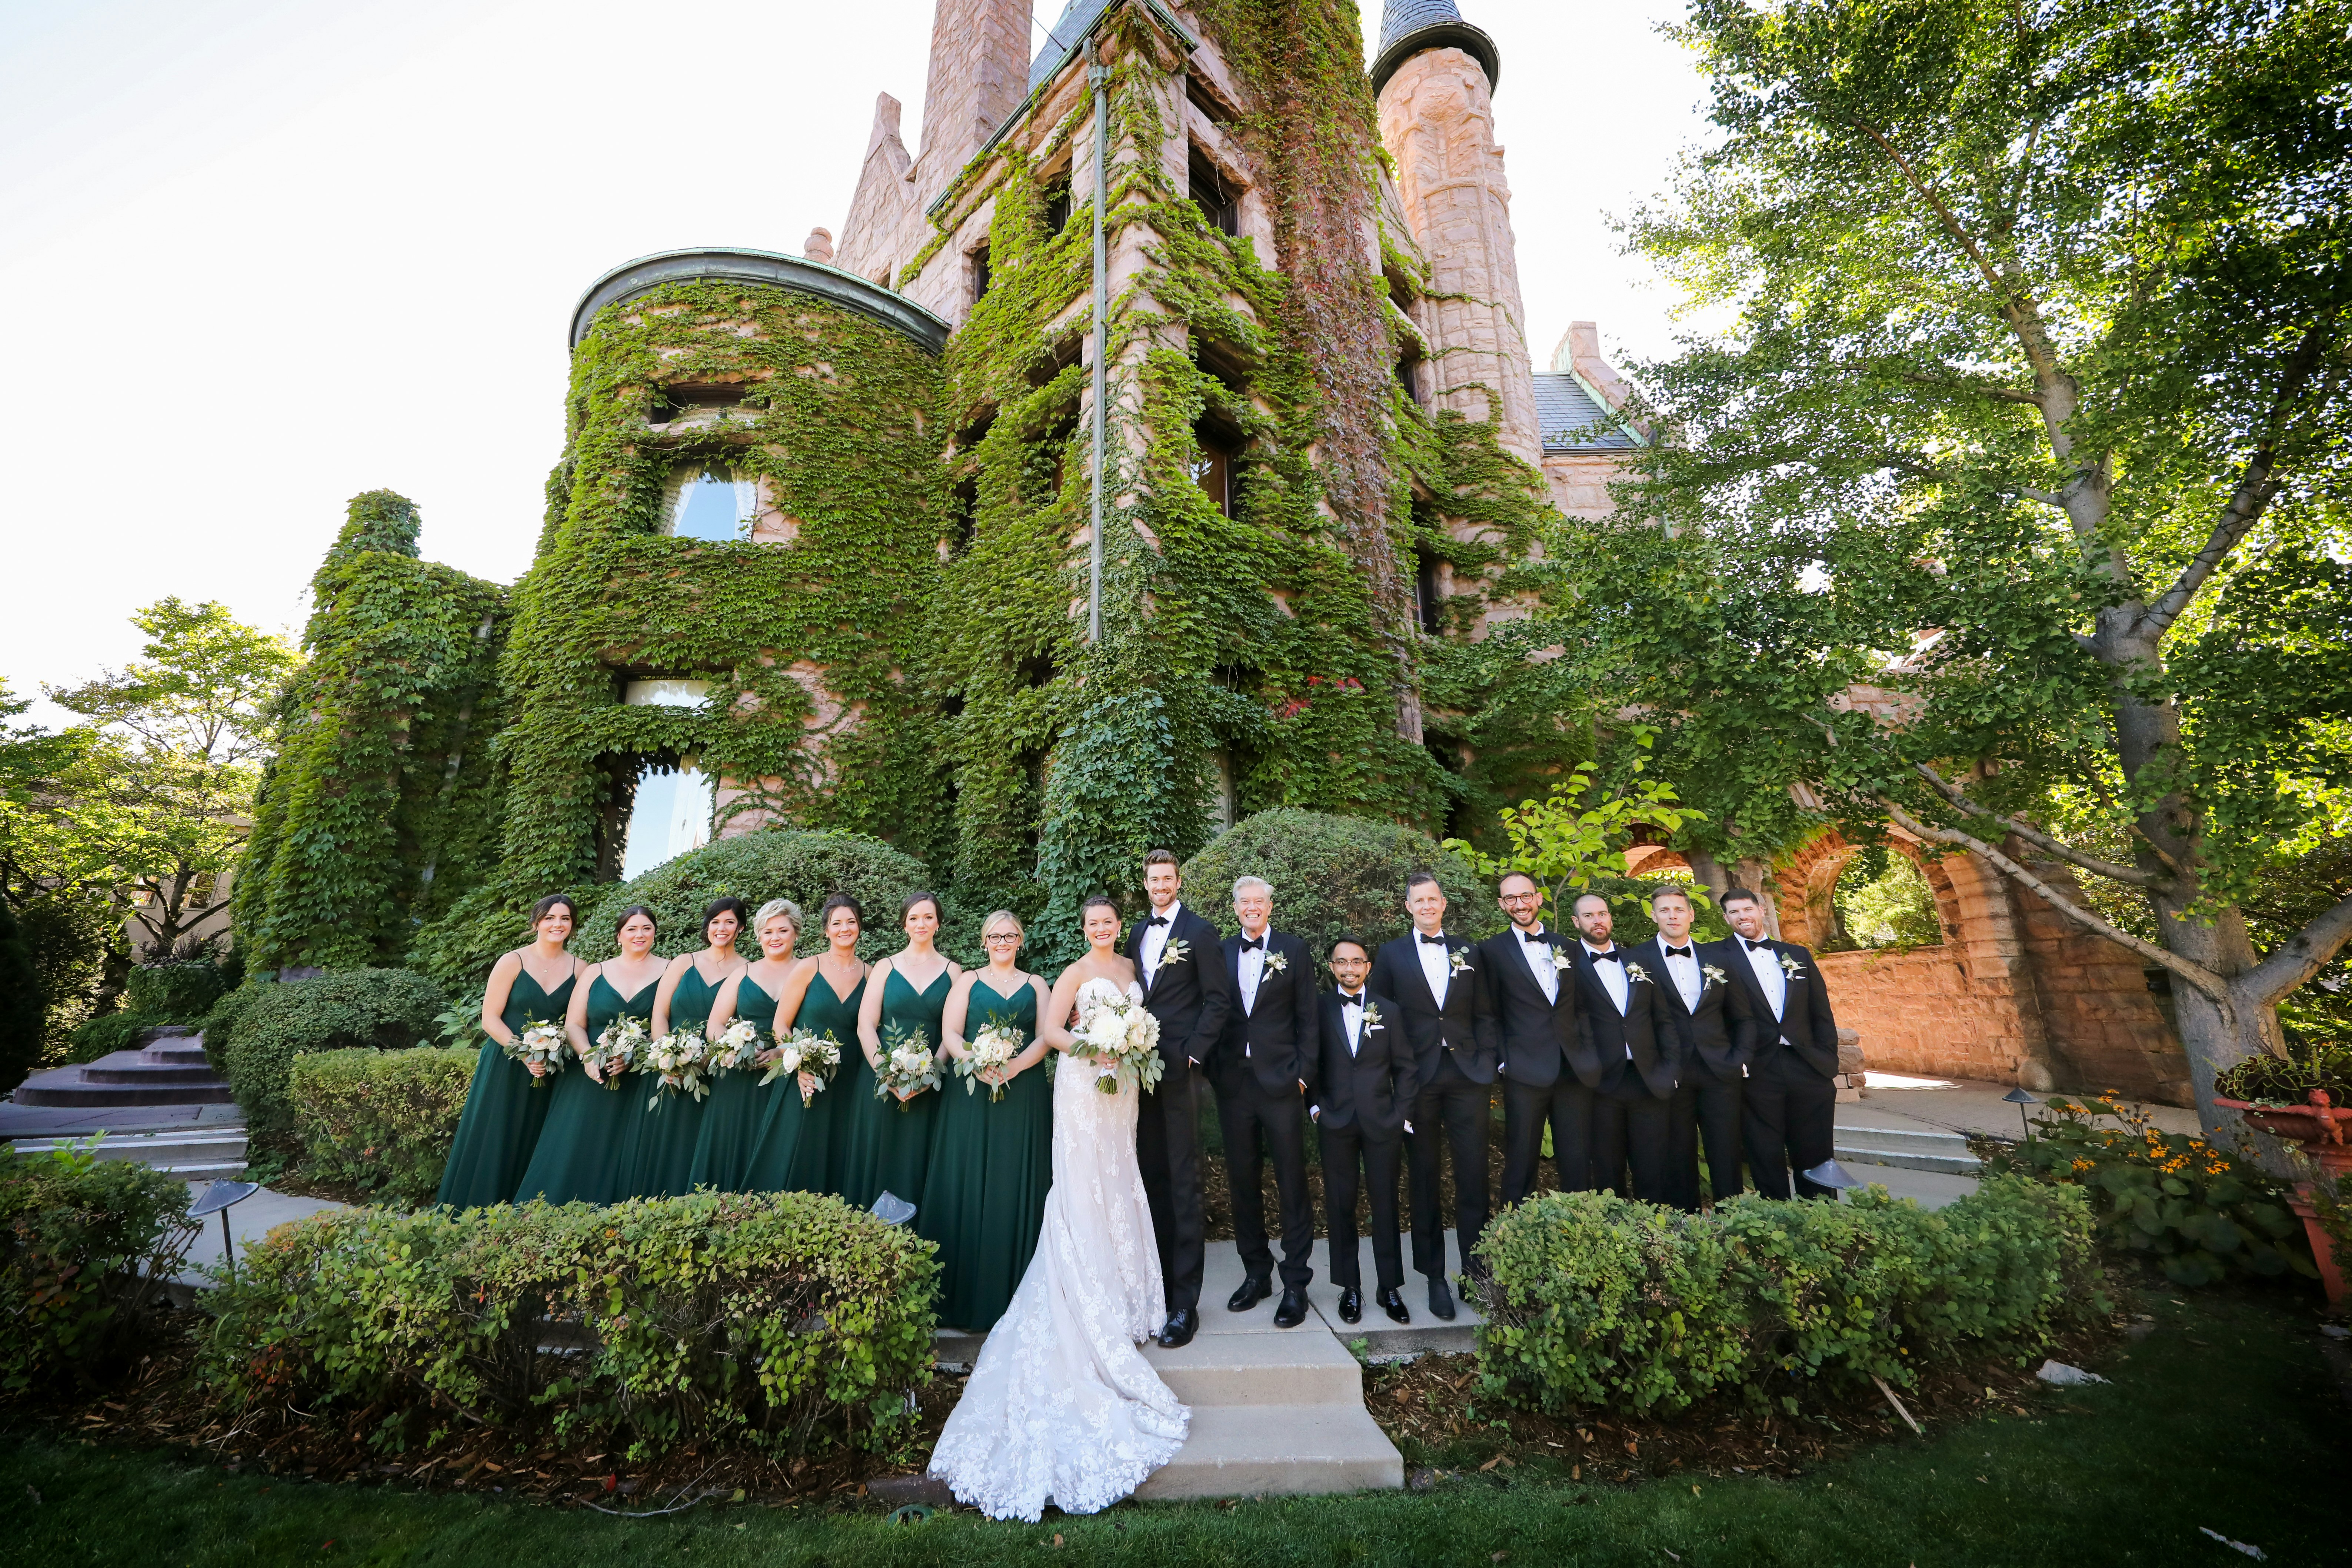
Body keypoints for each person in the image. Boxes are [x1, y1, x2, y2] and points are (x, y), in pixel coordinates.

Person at [927, 894, 1189, 1521]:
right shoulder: (1072, 971)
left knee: (1120, 1177)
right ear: (1083, 928)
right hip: (1080, 1083)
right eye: (1092, 922)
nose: (1100, 928)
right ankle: (1086, 1283)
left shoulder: (1131, 969)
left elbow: (1139, 1023)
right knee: (1083, 1182)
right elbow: (1051, 1031)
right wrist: (1090, 1046)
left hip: (1120, 1084)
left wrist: (1126, 1043)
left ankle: (1130, 1292)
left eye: (1107, 921)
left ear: (1118, 927)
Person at [919, 910, 1055, 1331]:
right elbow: (950, 1033)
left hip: (1023, 1093)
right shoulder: (967, 982)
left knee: (1014, 1179)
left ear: (1020, 940)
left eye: (1010, 935)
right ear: (984, 941)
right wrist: (974, 1060)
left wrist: (1014, 1068)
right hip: (972, 1093)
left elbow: (1046, 1036)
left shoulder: (1036, 984)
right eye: (995, 936)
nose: (1002, 942)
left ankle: (1015, 1294)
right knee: (969, 1177)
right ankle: (964, 1296)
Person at [1369, 871, 1493, 1321]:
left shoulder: (1468, 950)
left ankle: (1477, 1273)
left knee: (1473, 1176)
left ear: (1443, 904)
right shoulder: (1391, 954)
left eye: (1433, 900)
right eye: (1418, 901)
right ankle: (1435, 1278)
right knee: (1424, 1179)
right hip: (1416, 1079)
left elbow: (1484, 1012)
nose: (1426, 906)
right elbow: (1377, 1015)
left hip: (1466, 1074)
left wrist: (1487, 1060)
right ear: (1408, 907)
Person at [1121, 849, 1232, 1348]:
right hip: (1139, 1075)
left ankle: (1185, 1302)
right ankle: (1157, 1288)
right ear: (1145, 884)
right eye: (1153, 879)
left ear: (1177, 881)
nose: (1160, 885)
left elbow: (1218, 999)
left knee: (1185, 1180)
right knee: (1152, 1176)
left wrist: (1194, 1054)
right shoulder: (1137, 934)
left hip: (1180, 1071)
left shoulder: (1200, 931)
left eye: (1167, 878)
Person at [1210, 876, 1318, 1329]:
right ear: (1235, 909)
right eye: (1244, 903)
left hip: (1281, 1084)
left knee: (1291, 1181)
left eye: (1259, 901)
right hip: (1235, 1084)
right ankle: (1257, 1273)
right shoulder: (1219, 951)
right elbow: (1209, 1008)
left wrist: (1302, 1078)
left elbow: (1309, 1018)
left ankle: (1295, 1281)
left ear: (1270, 906)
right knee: (1242, 1181)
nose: (1251, 908)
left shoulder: (1293, 950)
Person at [437, 893, 582, 1208]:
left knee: (536, 1136)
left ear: (573, 925)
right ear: (536, 923)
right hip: (506, 1063)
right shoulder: (513, 961)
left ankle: (523, 1212)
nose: (558, 924)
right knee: (495, 1135)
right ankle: (476, 1209)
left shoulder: (581, 969)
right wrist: (525, 1053)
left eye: (565, 919)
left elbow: (578, 1021)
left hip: (551, 1069)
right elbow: (490, 1018)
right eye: (550, 918)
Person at [514, 905, 666, 1205]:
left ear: (655, 934)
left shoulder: (670, 969)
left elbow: (663, 1023)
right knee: (573, 1144)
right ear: (619, 935)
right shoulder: (595, 971)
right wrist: (588, 1056)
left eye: (647, 928)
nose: (640, 934)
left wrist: (634, 1055)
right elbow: (574, 1023)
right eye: (632, 929)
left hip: (635, 1078)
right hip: (587, 1075)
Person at [1310, 936, 1414, 1326]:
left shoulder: (1389, 1010)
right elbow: (1311, 1060)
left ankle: (1388, 1287)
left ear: (1368, 967)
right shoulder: (1319, 1009)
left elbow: (1406, 1067)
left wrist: (1400, 1114)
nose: (1349, 968)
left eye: (1356, 962)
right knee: (1340, 1205)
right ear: (1332, 967)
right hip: (1335, 1120)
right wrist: (1316, 1107)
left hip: (1381, 1120)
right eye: (1341, 962)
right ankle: (1348, 1287)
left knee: (1385, 1204)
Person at [1719, 887, 1843, 1199]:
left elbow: (1821, 1012)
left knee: (1817, 1152)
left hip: (1808, 1065)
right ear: (1726, 918)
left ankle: (1822, 1224)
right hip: (1757, 1069)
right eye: (1734, 912)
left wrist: (1827, 1059)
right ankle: (1777, 1223)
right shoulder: (1717, 958)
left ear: (1761, 909)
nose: (1742, 916)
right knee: (1764, 1152)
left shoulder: (1797, 955)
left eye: (1747, 909)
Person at [1474, 872, 1589, 1205]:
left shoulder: (1568, 947)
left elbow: (1581, 1005)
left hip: (1572, 1067)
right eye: (1510, 899)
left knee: (1577, 1159)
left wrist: (1586, 1052)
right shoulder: (1491, 951)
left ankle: (1582, 1233)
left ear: (1539, 898)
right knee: (1521, 1158)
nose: (1519, 904)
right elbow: (1487, 1013)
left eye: (1525, 896)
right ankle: (1515, 1232)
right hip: (1523, 1069)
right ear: (1502, 904)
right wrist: (1503, 1060)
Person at [841, 891, 960, 1210]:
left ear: (938, 923)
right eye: (914, 918)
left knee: (917, 1156)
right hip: (880, 1079)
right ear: (904, 925)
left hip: (930, 1084)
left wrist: (930, 1072)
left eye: (928, 917)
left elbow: (953, 1032)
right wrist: (886, 1073)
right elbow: (866, 1024)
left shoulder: (953, 972)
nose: (921, 924)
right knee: (878, 1151)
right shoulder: (885, 966)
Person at [630, 897, 749, 1197]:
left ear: (742, 927)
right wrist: (666, 1057)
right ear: (707, 926)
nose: (721, 928)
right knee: (664, 1138)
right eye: (715, 921)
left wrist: (706, 1059)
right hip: (670, 1068)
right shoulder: (684, 962)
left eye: (730, 922)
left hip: (716, 1070)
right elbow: (660, 1013)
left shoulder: (748, 969)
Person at [1644, 884, 1753, 1208]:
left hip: (1720, 1069)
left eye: (1679, 909)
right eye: (1664, 909)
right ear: (1654, 916)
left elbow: (1744, 1017)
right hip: (1672, 1071)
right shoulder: (1637, 959)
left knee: (1726, 1151)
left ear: (1691, 914)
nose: (1672, 915)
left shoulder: (1718, 958)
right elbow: (1637, 1021)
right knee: (1677, 1154)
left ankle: (1733, 1224)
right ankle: (1685, 1228)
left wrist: (1740, 1059)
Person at [1568, 892, 1680, 1203]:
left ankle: (1657, 1241)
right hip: (1602, 1082)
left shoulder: (1638, 960)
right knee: (1607, 1170)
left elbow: (1664, 1019)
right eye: (1589, 916)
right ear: (1577, 922)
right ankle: (1617, 1241)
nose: (1598, 920)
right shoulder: (1568, 966)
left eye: (1602, 914)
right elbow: (1569, 1023)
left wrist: (1670, 1068)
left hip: (1648, 1079)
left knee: (1654, 1167)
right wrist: (1586, 1069)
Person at [753, 893, 866, 1194]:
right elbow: (781, 1025)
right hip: (805, 1074)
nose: (845, 929)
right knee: (795, 1150)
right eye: (837, 923)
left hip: (850, 1077)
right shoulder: (808, 968)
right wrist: (799, 1063)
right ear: (826, 930)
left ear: (860, 927)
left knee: (838, 1150)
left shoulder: (871, 973)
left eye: (851, 922)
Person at [690, 898, 802, 1193]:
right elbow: (715, 1025)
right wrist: (736, 1050)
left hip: (788, 1079)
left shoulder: (809, 971)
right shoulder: (743, 974)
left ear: (796, 934)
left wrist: (786, 1051)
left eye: (782, 931)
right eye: (767, 932)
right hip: (739, 1081)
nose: (775, 938)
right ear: (758, 936)